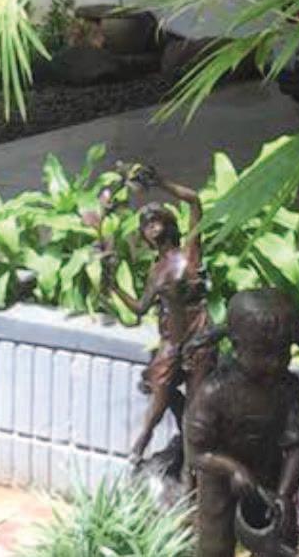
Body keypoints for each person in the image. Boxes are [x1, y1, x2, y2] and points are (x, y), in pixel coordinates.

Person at [184, 288, 299, 557]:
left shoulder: (287, 388)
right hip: (220, 479)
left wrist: (284, 493)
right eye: (264, 353)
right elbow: (197, 452)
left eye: (283, 352)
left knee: (277, 541)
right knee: (215, 544)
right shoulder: (214, 391)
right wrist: (232, 469)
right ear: (236, 345)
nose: (275, 363)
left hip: (270, 476)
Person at [101, 164, 215, 467]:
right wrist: (113, 286)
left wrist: (160, 182)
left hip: (198, 336)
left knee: (195, 408)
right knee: (160, 386)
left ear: (168, 223)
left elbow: (194, 201)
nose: (151, 227)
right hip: (171, 340)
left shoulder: (190, 253)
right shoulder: (155, 271)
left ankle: (191, 471)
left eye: (155, 220)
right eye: (146, 225)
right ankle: (144, 438)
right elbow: (140, 309)